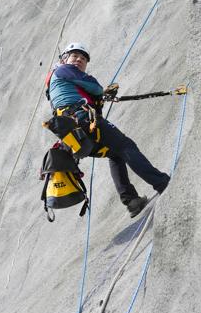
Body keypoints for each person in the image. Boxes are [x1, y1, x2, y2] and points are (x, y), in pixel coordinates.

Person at [46, 42, 170, 217]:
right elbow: (95, 87)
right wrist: (99, 93)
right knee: (126, 146)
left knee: (115, 154)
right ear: (64, 58)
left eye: (83, 59)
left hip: (75, 135)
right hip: (82, 121)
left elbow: (88, 97)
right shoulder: (64, 70)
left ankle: (132, 201)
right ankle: (161, 182)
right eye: (75, 56)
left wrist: (98, 100)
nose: (79, 60)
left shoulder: (56, 83)